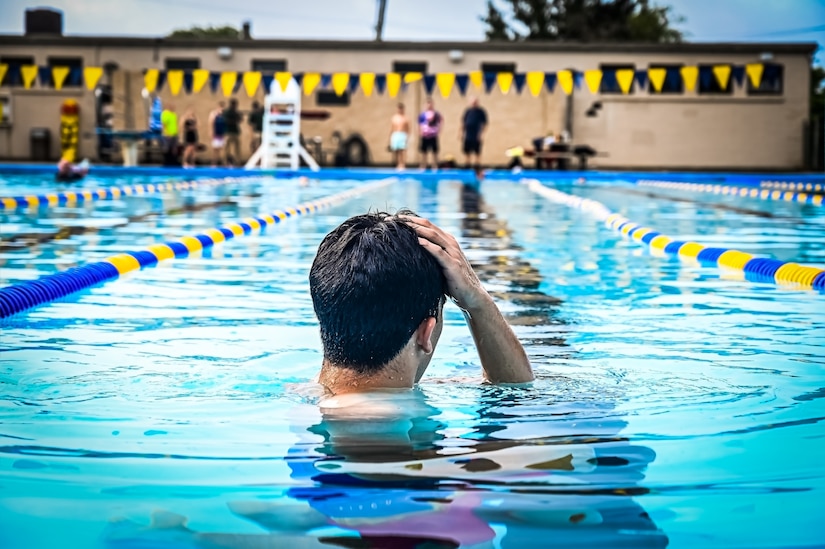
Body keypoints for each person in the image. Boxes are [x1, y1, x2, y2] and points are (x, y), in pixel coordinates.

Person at [309, 210, 533, 396]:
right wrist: (476, 300)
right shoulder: (379, 427)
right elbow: (515, 397)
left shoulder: (307, 396)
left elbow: (510, 387)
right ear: (426, 333)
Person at [461, 97, 488, 169]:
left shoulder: (481, 112)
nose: (474, 104)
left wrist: (482, 134)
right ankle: (467, 165)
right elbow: (463, 123)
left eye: (475, 102)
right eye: (472, 102)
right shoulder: (468, 111)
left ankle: (477, 165)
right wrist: (462, 133)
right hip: (468, 134)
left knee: (477, 151)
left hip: (476, 134)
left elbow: (484, 124)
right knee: (467, 151)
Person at [418, 97, 442, 170]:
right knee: (424, 152)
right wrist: (420, 132)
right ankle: (423, 165)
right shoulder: (422, 115)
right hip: (425, 136)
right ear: (425, 104)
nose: (429, 105)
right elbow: (419, 124)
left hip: (433, 135)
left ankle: (434, 165)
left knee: (434, 151)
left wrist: (438, 131)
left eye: (430, 103)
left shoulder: (436, 114)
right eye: (428, 103)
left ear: (433, 104)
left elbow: (440, 123)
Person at [388, 103, 409, 170]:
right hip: (395, 134)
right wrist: (390, 137)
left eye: (401, 108)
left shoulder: (406, 118)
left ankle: (402, 164)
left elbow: (408, 128)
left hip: (402, 134)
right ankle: (397, 164)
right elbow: (391, 128)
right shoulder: (394, 118)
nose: (400, 110)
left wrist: (407, 137)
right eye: (399, 108)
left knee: (402, 151)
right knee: (396, 151)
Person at [223, 98, 242, 166]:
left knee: (236, 148)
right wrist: (234, 120)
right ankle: (226, 162)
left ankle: (237, 162)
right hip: (229, 131)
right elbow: (226, 121)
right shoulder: (227, 112)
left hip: (234, 131)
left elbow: (240, 119)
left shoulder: (236, 112)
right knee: (227, 149)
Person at [208, 101, 226, 167]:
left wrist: (224, 134)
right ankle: (213, 163)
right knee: (215, 149)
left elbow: (225, 125)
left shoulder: (223, 115)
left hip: (221, 134)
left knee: (222, 149)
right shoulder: (213, 114)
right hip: (215, 134)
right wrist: (211, 132)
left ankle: (222, 163)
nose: (222, 109)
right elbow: (211, 123)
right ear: (218, 107)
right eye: (221, 108)